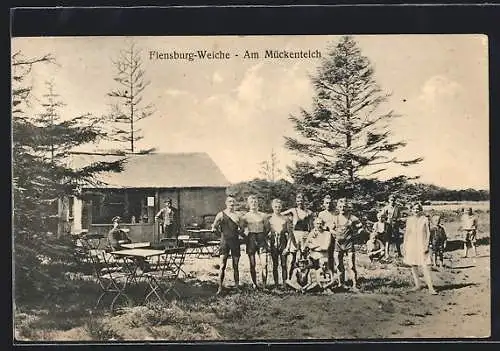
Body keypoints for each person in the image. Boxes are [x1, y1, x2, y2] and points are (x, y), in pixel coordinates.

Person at [211, 196, 245, 295]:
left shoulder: (238, 215)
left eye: (233, 202)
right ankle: (220, 287)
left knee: (236, 265)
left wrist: (239, 233)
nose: (231, 203)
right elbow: (214, 227)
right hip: (224, 242)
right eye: (230, 201)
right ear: (226, 203)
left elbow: (242, 228)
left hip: (235, 242)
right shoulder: (221, 214)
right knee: (222, 265)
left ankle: (237, 287)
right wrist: (221, 236)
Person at [403, 202, 438, 295]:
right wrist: (405, 245)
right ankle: (417, 285)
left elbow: (428, 233)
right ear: (411, 210)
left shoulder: (425, 219)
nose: (416, 210)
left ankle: (431, 287)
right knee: (413, 265)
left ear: (421, 210)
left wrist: (426, 245)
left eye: (418, 209)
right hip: (411, 244)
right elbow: (407, 233)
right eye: (414, 209)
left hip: (422, 244)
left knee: (425, 266)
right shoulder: (409, 220)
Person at [330, 198, 363, 292]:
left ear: (347, 207)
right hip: (338, 244)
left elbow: (361, 228)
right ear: (337, 208)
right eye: (340, 207)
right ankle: (341, 284)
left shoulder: (352, 217)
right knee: (339, 265)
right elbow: (331, 229)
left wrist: (355, 235)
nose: (342, 208)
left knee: (351, 265)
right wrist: (335, 234)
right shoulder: (335, 218)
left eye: (344, 206)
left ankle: (355, 285)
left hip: (349, 244)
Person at [241, 195, 271, 289]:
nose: (253, 203)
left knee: (264, 263)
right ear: (248, 204)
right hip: (251, 239)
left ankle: (264, 284)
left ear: (258, 203)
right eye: (251, 202)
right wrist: (247, 237)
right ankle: (254, 283)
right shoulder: (245, 216)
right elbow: (241, 229)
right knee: (252, 264)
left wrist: (263, 237)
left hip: (261, 238)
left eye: (255, 202)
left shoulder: (263, 215)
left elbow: (267, 228)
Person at [281, 193, 314, 279]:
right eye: (298, 201)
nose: (300, 203)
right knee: (292, 258)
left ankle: (303, 279)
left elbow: (311, 227)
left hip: (305, 235)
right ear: (296, 201)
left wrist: (310, 239)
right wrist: (288, 222)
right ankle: (289, 279)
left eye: (301, 201)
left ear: (304, 201)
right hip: (295, 235)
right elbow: (280, 214)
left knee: (304, 258)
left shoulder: (309, 212)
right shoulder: (293, 210)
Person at [268, 198, 295, 288]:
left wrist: (287, 247)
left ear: (281, 207)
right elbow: (266, 233)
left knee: (284, 264)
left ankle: (284, 283)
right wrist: (268, 244)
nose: (277, 208)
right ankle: (276, 284)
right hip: (273, 242)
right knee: (275, 264)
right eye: (275, 207)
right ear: (272, 207)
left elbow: (290, 234)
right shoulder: (269, 218)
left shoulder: (285, 218)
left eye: (279, 207)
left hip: (283, 242)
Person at [317, 195, 337, 272]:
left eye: (330, 203)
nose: (328, 205)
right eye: (326, 203)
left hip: (334, 237)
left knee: (334, 256)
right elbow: (319, 226)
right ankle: (325, 275)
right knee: (324, 257)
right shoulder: (321, 214)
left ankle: (335, 275)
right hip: (325, 238)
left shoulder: (336, 213)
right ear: (324, 204)